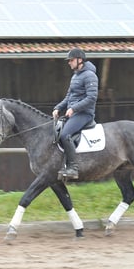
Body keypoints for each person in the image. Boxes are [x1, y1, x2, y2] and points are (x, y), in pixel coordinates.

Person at [52, 48, 98, 179]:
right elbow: (68, 97)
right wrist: (58, 108)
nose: (69, 63)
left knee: (65, 134)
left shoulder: (90, 75)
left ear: (80, 60)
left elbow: (92, 98)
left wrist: (74, 109)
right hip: (74, 113)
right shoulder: (75, 76)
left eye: (71, 60)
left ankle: (73, 168)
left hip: (84, 114)